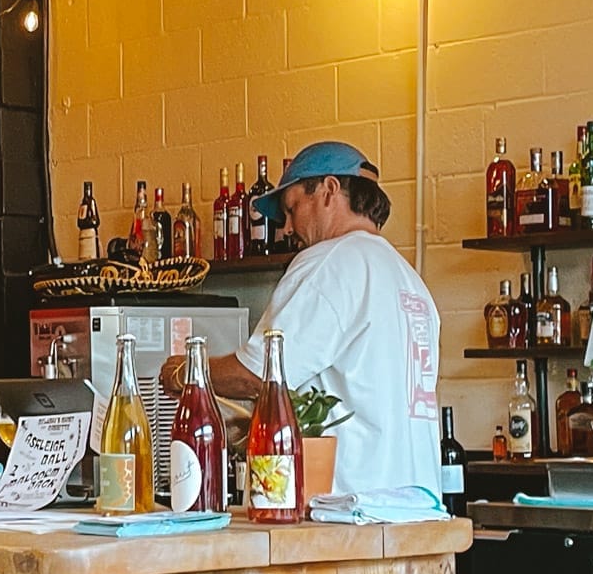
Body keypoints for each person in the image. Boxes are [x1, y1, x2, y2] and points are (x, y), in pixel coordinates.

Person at [160, 142, 441, 497]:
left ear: (329, 190)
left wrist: (185, 371)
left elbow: (257, 375)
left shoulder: (330, 262)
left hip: (350, 510)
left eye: (292, 208)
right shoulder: (410, 282)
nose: (288, 227)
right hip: (418, 510)